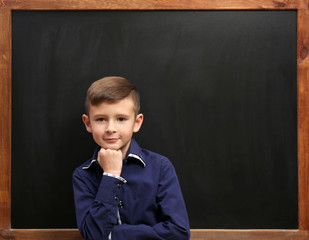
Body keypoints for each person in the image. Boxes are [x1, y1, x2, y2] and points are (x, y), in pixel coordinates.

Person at [72, 76, 190, 239]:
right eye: (101, 119)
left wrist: (112, 236)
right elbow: (93, 235)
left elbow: (179, 232)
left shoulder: (161, 167)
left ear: (136, 122)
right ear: (88, 123)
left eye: (121, 119)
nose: (110, 128)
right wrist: (110, 176)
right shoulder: (83, 175)